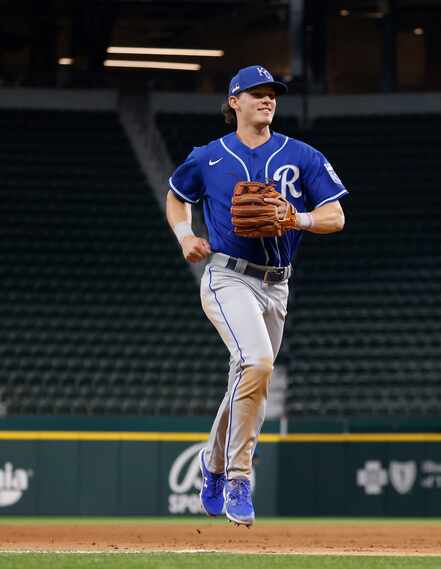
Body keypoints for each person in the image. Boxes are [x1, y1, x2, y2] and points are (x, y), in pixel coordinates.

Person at [165, 64, 347, 526]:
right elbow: (176, 195)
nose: (267, 99)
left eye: (272, 94)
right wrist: (186, 235)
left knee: (249, 376)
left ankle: (212, 462)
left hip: (277, 283)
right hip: (227, 276)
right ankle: (239, 476)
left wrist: (298, 218)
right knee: (260, 363)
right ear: (234, 102)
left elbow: (335, 216)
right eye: (256, 93)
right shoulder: (207, 157)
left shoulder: (301, 155)